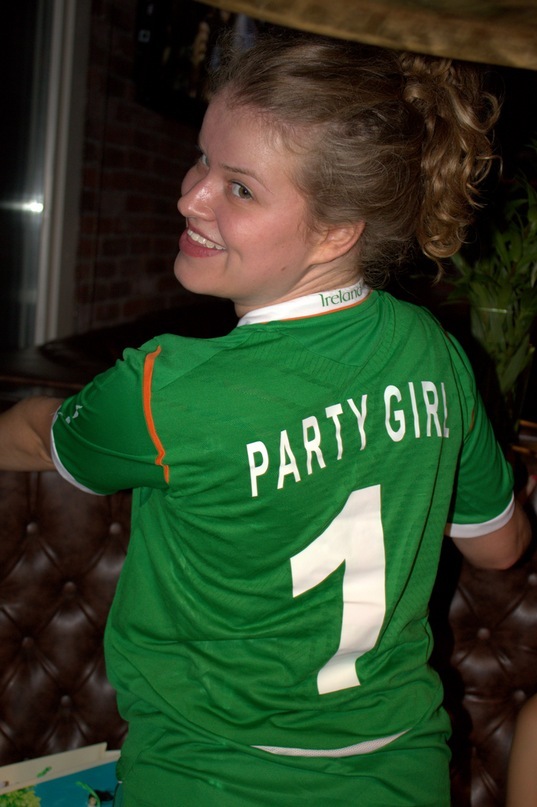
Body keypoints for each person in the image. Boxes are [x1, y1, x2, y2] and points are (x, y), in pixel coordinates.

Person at [0, 32, 531, 807]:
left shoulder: (166, 389)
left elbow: (31, 434)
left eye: (239, 188)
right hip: (400, 773)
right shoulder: (436, 354)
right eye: (202, 160)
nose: (190, 197)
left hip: (204, 777)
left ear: (337, 231)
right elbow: (499, 546)